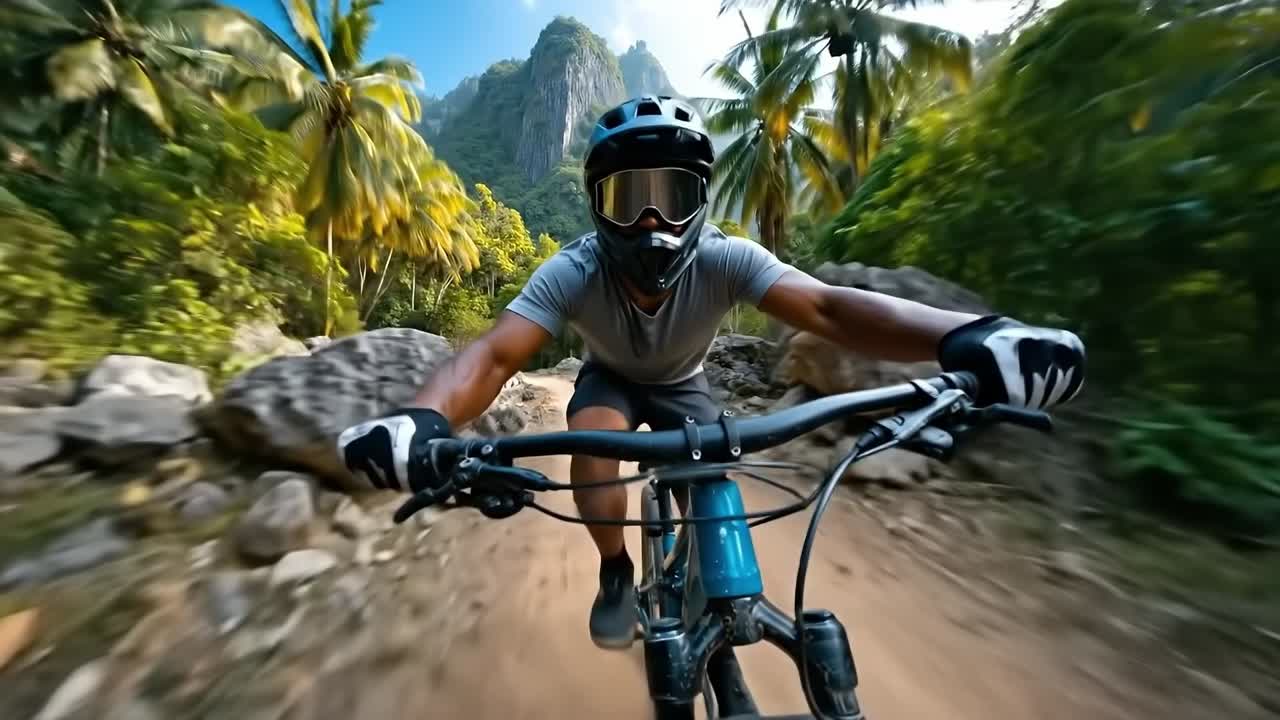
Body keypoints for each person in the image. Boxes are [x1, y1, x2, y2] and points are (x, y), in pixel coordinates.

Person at [336, 96, 1086, 650]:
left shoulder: (727, 256)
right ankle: (616, 570)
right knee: (593, 439)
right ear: (600, 209)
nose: (652, 223)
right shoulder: (573, 268)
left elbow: (826, 308)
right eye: (630, 200)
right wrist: (424, 419)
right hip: (611, 378)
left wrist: (973, 336)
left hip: (687, 381)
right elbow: (496, 354)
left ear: (701, 203)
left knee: (716, 477)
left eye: (675, 196)